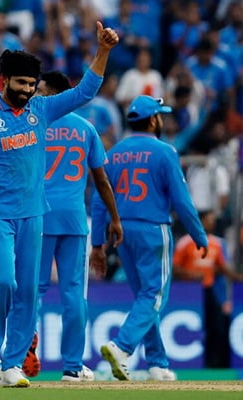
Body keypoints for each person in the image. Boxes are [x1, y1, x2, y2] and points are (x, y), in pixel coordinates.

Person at [0, 22, 120, 388]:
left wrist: (102, 51)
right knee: (4, 281)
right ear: (5, 80)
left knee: (27, 291)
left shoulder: (41, 110)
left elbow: (86, 90)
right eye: (21, 83)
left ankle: (13, 363)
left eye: (31, 84)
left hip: (34, 215)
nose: (27, 90)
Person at [91, 95, 209, 381]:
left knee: (144, 295)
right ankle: (122, 346)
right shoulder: (165, 151)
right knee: (154, 295)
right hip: (153, 228)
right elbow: (182, 201)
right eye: (161, 116)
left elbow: (98, 200)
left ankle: (157, 363)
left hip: (121, 232)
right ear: (154, 119)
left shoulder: (114, 153)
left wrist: (97, 243)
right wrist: (199, 234)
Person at [27, 71, 123, 382]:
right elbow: (101, 180)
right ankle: (72, 366)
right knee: (73, 294)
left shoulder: (33, 124)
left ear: (55, 93)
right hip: (73, 218)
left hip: (38, 216)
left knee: (33, 291)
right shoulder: (86, 129)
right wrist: (115, 218)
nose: (36, 94)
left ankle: (19, 356)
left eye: (40, 90)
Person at [173, 210, 243, 368]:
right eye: (209, 220)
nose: (212, 223)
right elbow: (174, 268)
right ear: (201, 221)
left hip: (208, 289)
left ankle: (213, 363)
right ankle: (191, 362)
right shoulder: (186, 242)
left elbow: (221, 267)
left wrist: (237, 277)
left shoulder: (216, 243)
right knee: (193, 326)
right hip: (188, 291)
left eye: (213, 220)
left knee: (217, 326)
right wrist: (190, 274)